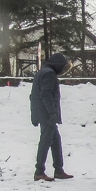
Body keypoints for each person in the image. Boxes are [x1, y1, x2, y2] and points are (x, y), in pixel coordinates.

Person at [30, 53, 73, 182]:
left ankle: (58, 170)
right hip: (47, 114)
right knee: (45, 141)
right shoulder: (49, 74)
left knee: (55, 141)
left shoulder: (42, 72)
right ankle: (39, 171)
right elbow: (46, 94)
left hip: (42, 112)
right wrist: (52, 113)